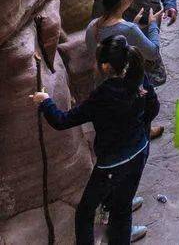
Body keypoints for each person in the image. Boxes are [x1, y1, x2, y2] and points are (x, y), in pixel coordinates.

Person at [31, 34, 158, 244]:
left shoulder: (104, 95)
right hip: (139, 153)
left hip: (112, 164)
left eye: (96, 60)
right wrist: (138, 130)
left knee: (85, 213)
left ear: (106, 67)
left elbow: (62, 121)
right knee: (122, 208)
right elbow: (153, 108)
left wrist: (45, 102)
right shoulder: (138, 77)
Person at [93, 0, 176, 116]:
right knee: (132, 84)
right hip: (127, 39)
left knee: (147, 81)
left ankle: (142, 117)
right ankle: (139, 121)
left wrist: (170, 3)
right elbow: (100, 16)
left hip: (148, 31)